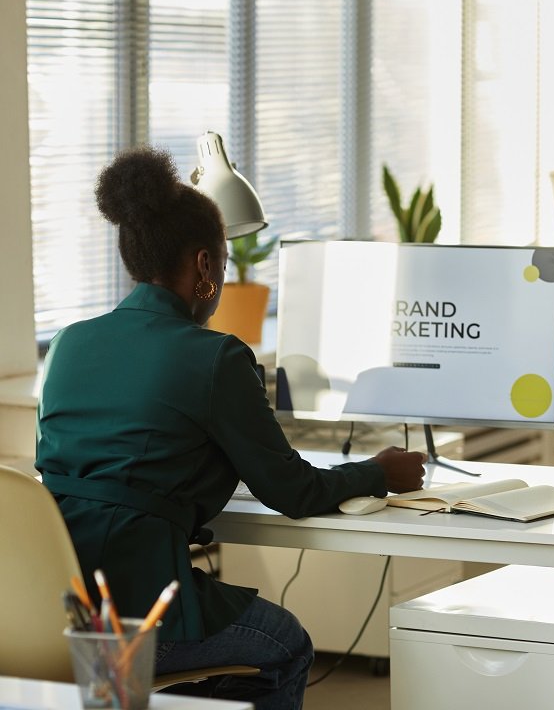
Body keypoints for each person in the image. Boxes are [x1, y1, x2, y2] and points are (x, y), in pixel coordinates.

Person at [35, 147, 428, 709]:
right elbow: (292, 490)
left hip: (59, 607)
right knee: (285, 643)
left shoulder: (69, 345)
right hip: (142, 612)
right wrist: (376, 472)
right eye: (222, 258)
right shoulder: (214, 356)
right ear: (203, 266)